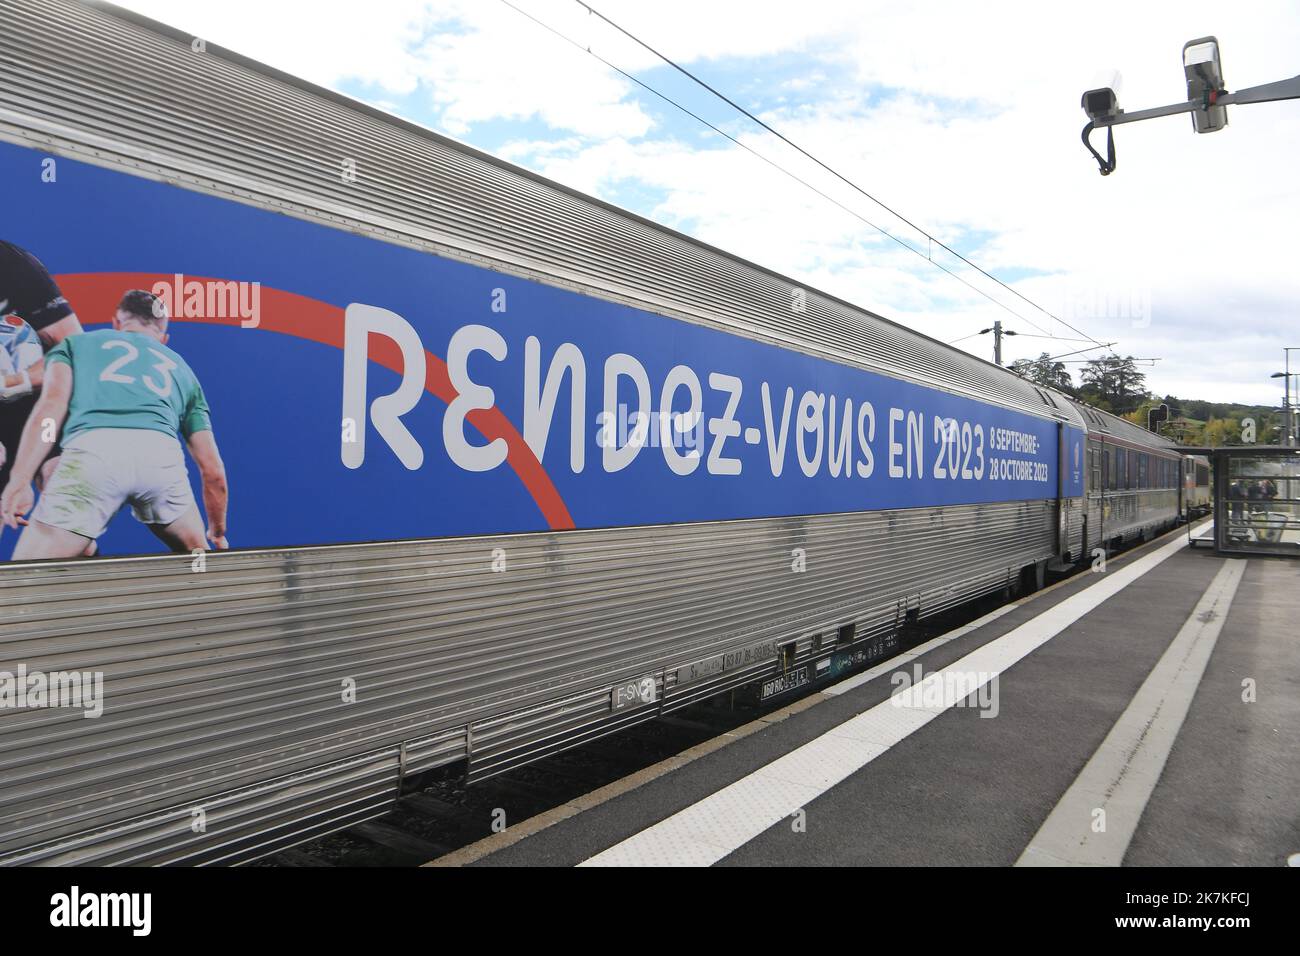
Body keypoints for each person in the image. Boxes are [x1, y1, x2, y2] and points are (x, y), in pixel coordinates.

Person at [0, 290, 228, 559]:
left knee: (25, 576)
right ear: (163, 338)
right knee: (196, 552)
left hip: (94, 459)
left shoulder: (77, 345)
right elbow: (212, 471)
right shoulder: (185, 372)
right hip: (159, 461)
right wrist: (217, 530)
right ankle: (202, 570)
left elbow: (51, 412)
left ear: (117, 323)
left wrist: (21, 477)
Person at [0, 240, 83, 494]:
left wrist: (14, 382)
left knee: (61, 487)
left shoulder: (13, 264)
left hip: (40, 409)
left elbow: (75, 350)